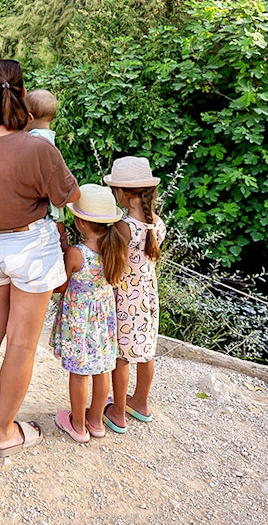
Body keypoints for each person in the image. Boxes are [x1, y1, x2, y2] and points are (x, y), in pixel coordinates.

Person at [0, 59, 80, 457]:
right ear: (23, 98)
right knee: (22, 344)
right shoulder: (36, 147)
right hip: (30, 248)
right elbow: (69, 196)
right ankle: (4, 432)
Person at [50, 184, 130, 443]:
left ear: (82, 223)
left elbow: (61, 285)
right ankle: (95, 422)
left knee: (79, 372)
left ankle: (77, 425)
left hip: (79, 320)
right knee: (102, 369)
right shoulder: (115, 248)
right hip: (104, 318)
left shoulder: (77, 253)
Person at [102, 156, 167, 434]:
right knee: (145, 351)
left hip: (126, 299)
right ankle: (140, 402)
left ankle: (117, 412)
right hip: (148, 296)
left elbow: (113, 266)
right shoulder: (157, 224)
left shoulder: (123, 227)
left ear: (122, 192)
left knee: (122, 355)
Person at [25, 89, 68, 247]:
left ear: (29, 118)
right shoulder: (50, 138)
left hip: (45, 209)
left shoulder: (34, 140)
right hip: (55, 205)